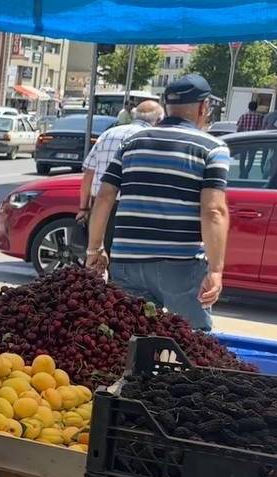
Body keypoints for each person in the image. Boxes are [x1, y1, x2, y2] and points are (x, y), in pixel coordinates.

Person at [85, 74, 230, 331]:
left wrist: (94, 249)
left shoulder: (131, 143)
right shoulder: (212, 148)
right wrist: (216, 270)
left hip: (127, 262)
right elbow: (214, 210)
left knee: (129, 338)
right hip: (181, 265)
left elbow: (105, 196)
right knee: (191, 342)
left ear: (167, 105)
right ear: (203, 107)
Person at [76, 100, 165, 252]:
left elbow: (89, 174)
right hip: (131, 210)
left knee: (96, 257)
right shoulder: (153, 139)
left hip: (99, 206)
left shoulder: (108, 134)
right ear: (158, 120)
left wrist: (83, 208)